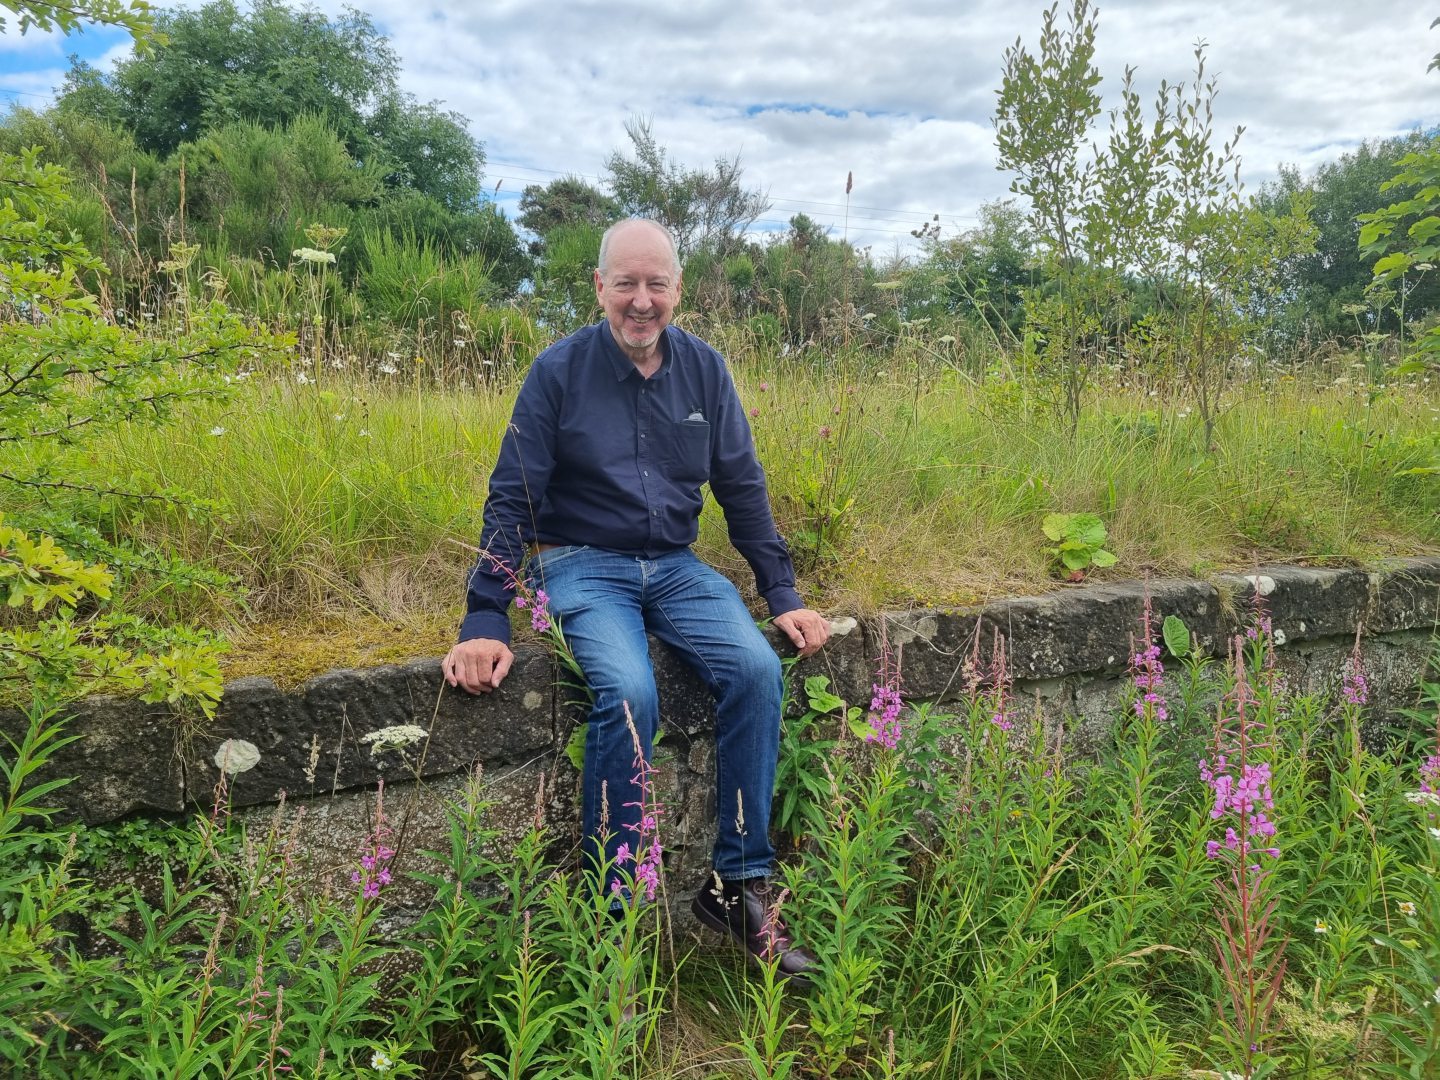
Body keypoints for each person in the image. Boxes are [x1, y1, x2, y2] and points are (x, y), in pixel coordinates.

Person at [442, 218, 827, 981]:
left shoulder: (705, 372)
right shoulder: (558, 372)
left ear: (678, 289)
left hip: (675, 566)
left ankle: (739, 885)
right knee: (628, 691)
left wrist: (778, 590)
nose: (642, 301)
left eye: (657, 284)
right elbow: (511, 496)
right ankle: (611, 913)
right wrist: (487, 616)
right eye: (626, 284)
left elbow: (741, 488)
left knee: (756, 669)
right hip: (580, 563)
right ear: (599, 287)